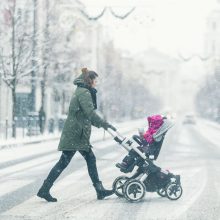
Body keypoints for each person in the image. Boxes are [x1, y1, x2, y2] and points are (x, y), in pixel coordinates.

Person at [37, 68, 116, 202]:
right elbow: (90, 113)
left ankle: (45, 189)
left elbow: (85, 115)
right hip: (76, 134)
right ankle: (99, 190)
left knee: (78, 160)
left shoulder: (81, 91)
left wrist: (100, 124)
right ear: (89, 80)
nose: (95, 83)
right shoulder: (84, 92)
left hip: (76, 133)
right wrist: (104, 124)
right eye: (94, 80)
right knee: (70, 162)